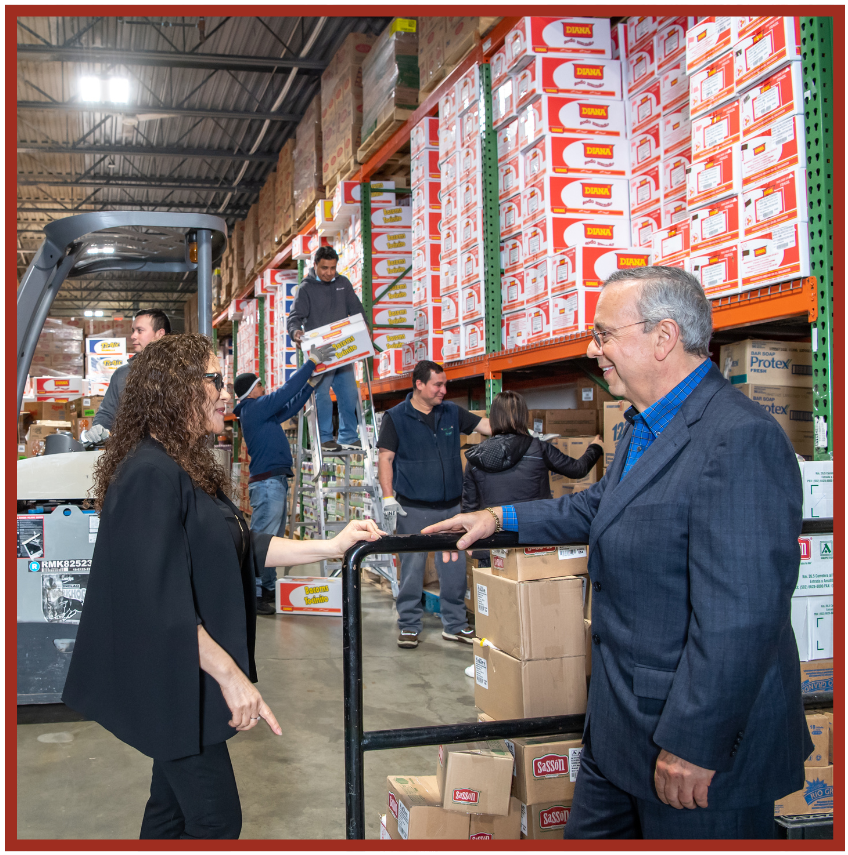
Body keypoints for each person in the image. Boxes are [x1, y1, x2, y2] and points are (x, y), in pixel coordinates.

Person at [424, 266, 812, 840]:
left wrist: (693, 743)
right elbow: (596, 506)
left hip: (694, 750)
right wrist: (498, 517)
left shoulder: (739, 438)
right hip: (619, 727)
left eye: (604, 334)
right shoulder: (641, 429)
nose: (592, 348)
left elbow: (743, 617)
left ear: (663, 337)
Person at [62, 333, 384, 840]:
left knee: (169, 813)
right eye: (215, 380)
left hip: (186, 681)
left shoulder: (185, 468)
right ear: (176, 389)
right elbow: (155, 601)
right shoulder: (149, 473)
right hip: (168, 681)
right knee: (215, 821)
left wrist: (331, 546)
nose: (227, 394)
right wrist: (232, 677)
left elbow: (242, 545)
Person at [377, 360, 492, 649]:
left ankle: (455, 624)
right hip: (413, 509)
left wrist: (519, 431)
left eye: (444, 384)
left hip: (452, 508)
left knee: (453, 569)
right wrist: (388, 496)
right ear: (419, 385)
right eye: (437, 385)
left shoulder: (451, 412)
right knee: (412, 568)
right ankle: (408, 625)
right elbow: (385, 459)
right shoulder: (396, 417)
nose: (443, 390)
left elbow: (485, 426)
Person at [232, 341, 335, 615]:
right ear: (252, 390)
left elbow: (289, 407)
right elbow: (285, 392)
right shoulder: (253, 408)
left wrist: (311, 385)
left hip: (273, 481)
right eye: (260, 383)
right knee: (264, 539)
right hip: (267, 485)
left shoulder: (259, 412)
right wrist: (311, 362)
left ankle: (267, 590)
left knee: (272, 542)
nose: (264, 385)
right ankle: (254, 594)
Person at [461, 390, 603, 512]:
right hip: (535, 529)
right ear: (523, 416)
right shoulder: (539, 448)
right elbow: (578, 470)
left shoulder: (475, 457)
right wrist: (595, 447)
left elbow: (469, 508)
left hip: (494, 534)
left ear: (492, 417)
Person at [286, 246, 366, 452]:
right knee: (321, 395)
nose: (329, 272)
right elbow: (294, 317)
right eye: (324, 268)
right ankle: (324, 438)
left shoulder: (343, 284)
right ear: (315, 265)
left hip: (343, 350)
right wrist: (295, 332)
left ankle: (348, 435)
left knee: (348, 393)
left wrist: (365, 332)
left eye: (332, 268)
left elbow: (357, 310)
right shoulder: (306, 289)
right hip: (320, 354)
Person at [89, 309, 171, 437]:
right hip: (132, 453)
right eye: (133, 331)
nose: (133, 336)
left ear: (160, 334)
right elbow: (107, 413)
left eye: (140, 330)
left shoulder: (179, 372)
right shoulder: (122, 375)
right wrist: (99, 428)